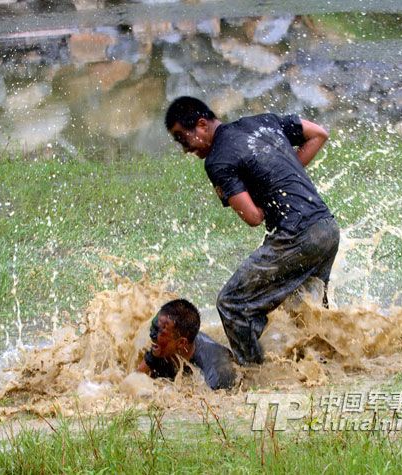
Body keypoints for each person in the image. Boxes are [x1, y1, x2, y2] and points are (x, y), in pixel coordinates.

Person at [164, 97, 340, 366]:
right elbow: (319, 133)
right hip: (326, 228)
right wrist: (281, 175)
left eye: (182, 138)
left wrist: (263, 185)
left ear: (201, 124)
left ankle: (255, 375)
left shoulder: (217, 160)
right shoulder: (263, 122)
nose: (184, 149)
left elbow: (254, 217)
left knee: (232, 303)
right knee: (306, 307)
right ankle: (329, 361)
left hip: (298, 235)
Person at [137, 299, 237, 390]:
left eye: (160, 332)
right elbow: (134, 379)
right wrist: (152, 358)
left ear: (181, 342)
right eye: (154, 327)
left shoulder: (214, 372)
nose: (152, 335)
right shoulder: (165, 345)